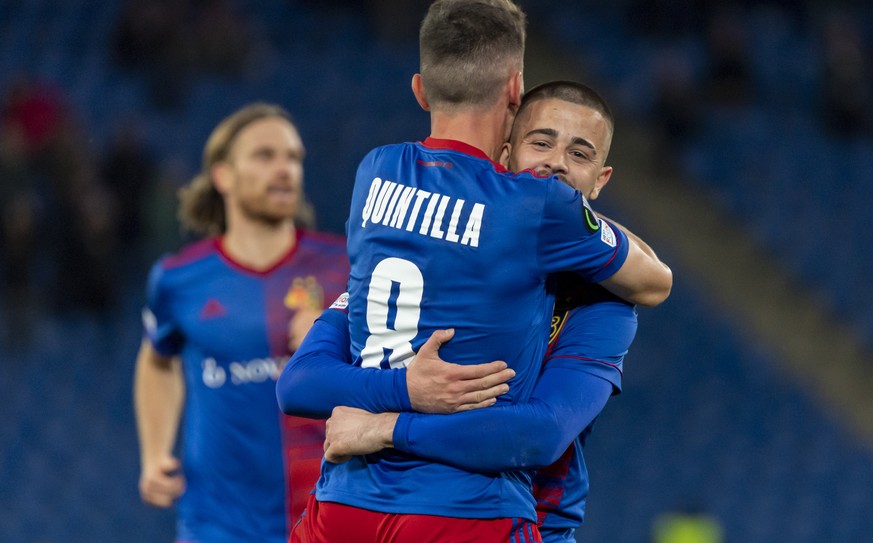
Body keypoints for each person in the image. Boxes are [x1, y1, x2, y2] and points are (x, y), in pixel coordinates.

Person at [280, 0, 671, 540]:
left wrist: (388, 425)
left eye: (578, 154)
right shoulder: (520, 217)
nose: (556, 163)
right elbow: (296, 381)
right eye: (541, 143)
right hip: (464, 514)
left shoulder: (599, 301)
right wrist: (407, 392)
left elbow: (540, 434)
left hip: (459, 509)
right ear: (507, 143)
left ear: (602, 180)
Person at [133, 103, 349, 542]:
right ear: (223, 176)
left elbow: (396, 372)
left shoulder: (348, 267)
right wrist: (155, 453)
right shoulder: (178, 279)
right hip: (217, 525)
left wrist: (339, 332)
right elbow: (158, 360)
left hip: (330, 519)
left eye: (293, 157)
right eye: (265, 156)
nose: (285, 168)